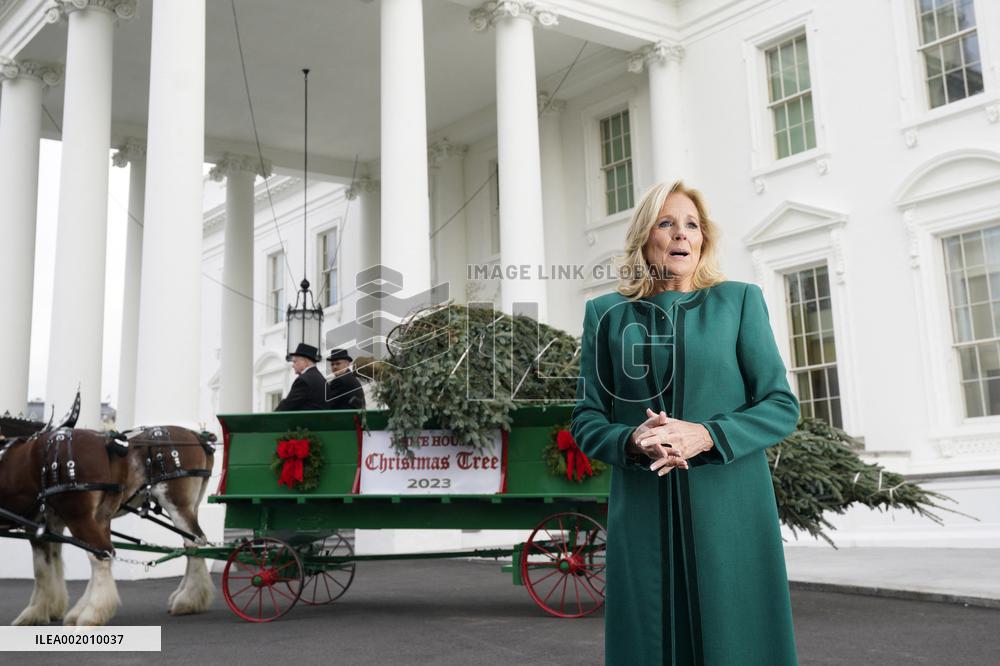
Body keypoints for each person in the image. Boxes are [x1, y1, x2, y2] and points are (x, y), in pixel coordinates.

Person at [571, 180, 800, 665]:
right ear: (645, 237)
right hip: (643, 513)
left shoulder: (739, 301)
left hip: (730, 509)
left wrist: (706, 434)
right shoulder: (605, 314)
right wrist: (631, 440)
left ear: (703, 239)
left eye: (692, 225)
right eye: (667, 223)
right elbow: (587, 419)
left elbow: (780, 404)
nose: (681, 234)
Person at [273, 343, 327, 411]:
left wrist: (271, 416)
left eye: (295, 361)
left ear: (305, 361)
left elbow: (288, 405)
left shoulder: (303, 380)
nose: (293, 365)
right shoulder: (322, 379)